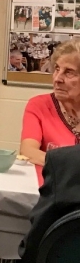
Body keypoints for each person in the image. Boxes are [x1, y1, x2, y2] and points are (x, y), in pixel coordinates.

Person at [20, 39, 80, 183]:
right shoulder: (39, 105)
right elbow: (28, 151)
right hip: (52, 193)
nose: (57, 78)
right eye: (57, 69)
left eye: (69, 72)